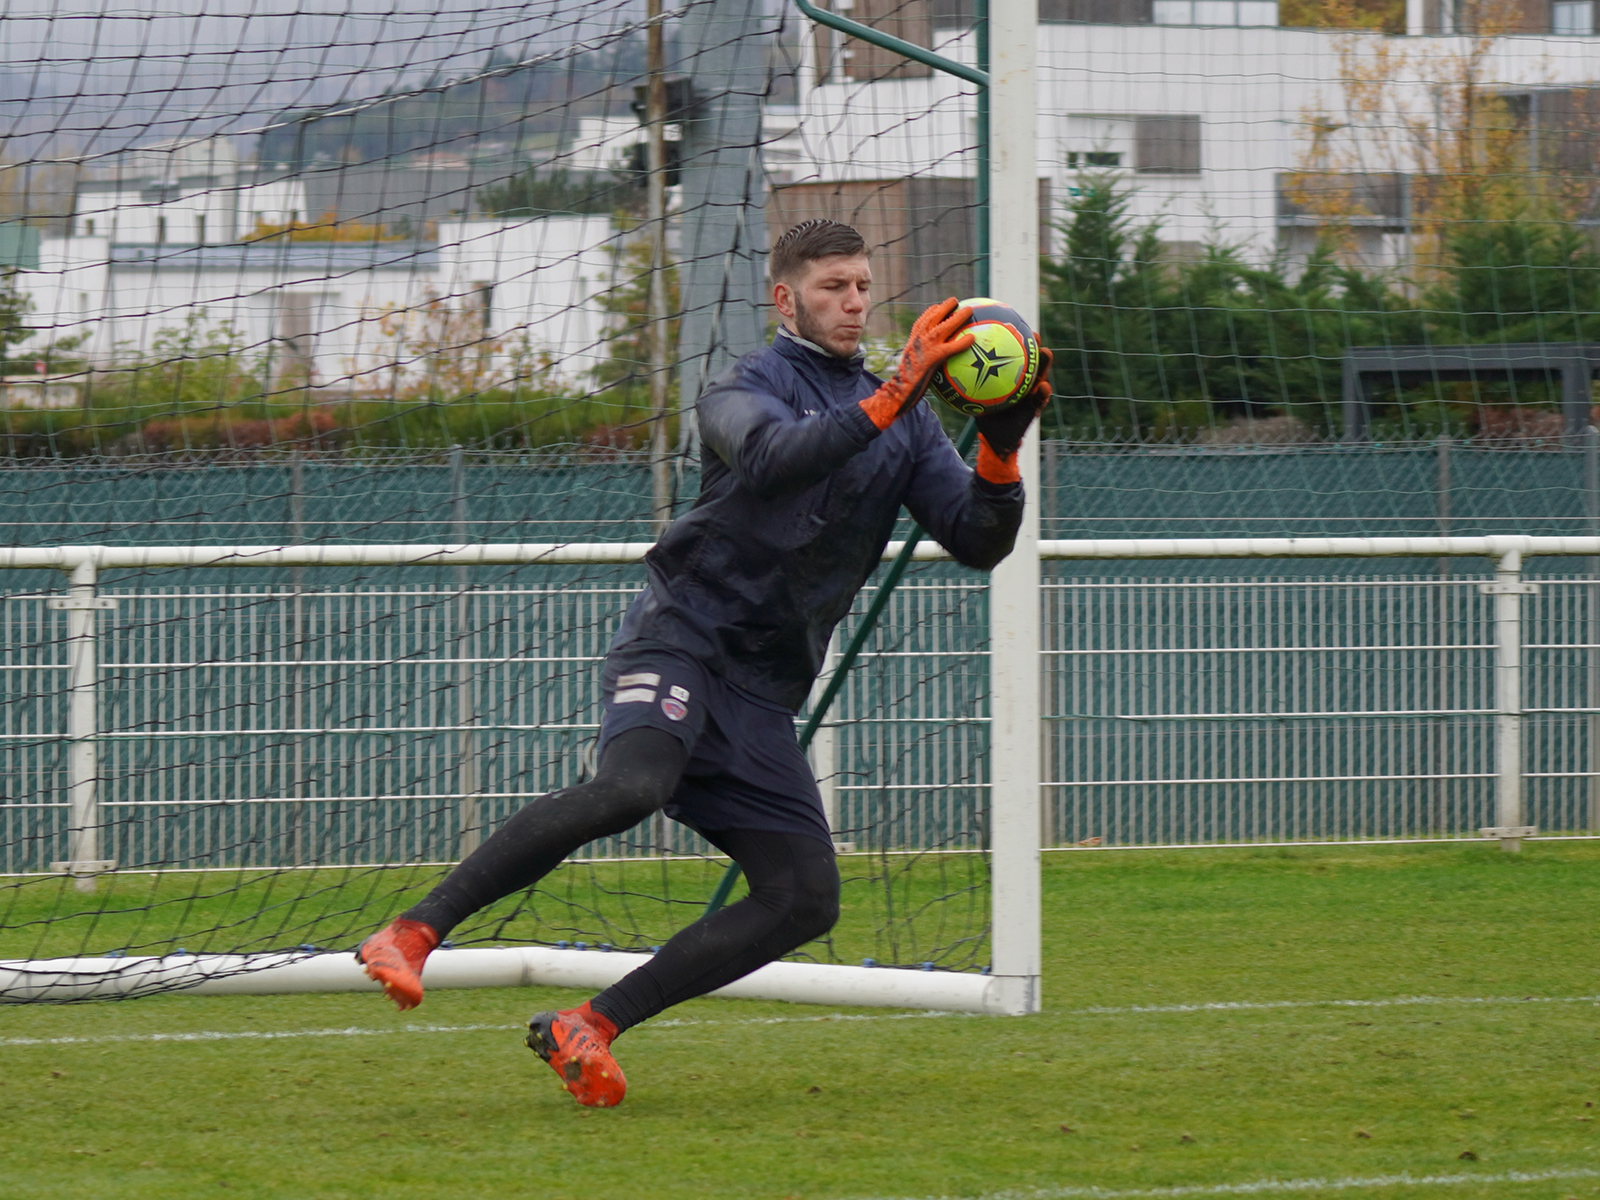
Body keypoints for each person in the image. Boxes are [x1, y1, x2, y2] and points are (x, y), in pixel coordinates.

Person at [356, 218, 1053, 1108]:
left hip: (762, 692)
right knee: (631, 788)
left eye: (863, 288)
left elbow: (979, 541)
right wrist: (899, 392)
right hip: (682, 640)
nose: (853, 303)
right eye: (833, 286)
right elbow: (768, 460)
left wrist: (1000, 443)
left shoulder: (906, 425)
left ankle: (591, 1026)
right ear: (785, 296)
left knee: (804, 898)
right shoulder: (743, 386)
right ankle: (414, 932)